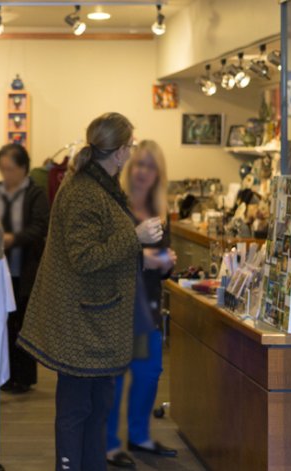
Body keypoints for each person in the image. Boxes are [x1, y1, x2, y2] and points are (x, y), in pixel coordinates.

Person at [19, 112, 164, 471]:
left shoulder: (97, 185)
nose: (131, 154)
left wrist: (139, 255)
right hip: (82, 322)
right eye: (129, 147)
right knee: (77, 410)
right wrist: (136, 237)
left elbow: (96, 250)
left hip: (96, 317)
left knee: (97, 409)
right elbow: (84, 258)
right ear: (117, 152)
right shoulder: (84, 192)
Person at [106, 140, 179, 468]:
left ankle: (139, 436)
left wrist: (166, 262)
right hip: (116, 308)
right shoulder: (115, 205)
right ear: (128, 167)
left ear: (157, 174)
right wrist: (145, 258)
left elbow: (163, 265)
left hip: (145, 310)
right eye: (138, 164)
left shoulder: (159, 213)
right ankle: (108, 444)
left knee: (149, 374)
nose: (142, 172)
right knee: (115, 379)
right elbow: (103, 256)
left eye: (150, 166)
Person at [0, 144, 49, 394]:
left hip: (25, 270)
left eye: (10, 169)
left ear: (23, 168)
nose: (5, 174)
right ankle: (3, 375)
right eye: (2, 169)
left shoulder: (36, 194)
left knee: (24, 324)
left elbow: (40, 227)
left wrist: (13, 239)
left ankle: (23, 377)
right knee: (0, 322)